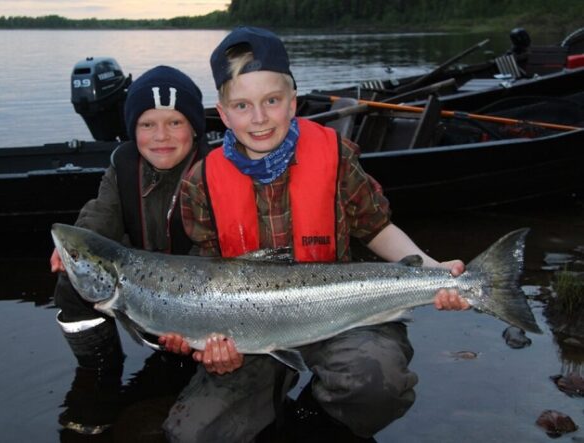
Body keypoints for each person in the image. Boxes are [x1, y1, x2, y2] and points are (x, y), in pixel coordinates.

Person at [162, 27, 471, 442]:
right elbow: (206, 277)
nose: (258, 118)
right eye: (242, 105)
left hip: (341, 312)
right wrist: (210, 346)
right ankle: (269, 393)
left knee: (378, 385)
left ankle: (310, 421)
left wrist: (435, 272)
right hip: (249, 331)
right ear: (222, 110)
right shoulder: (200, 182)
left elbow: (377, 227)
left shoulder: (336, 156)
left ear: (292, 101)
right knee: (193, 435)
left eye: (271, 101)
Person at [50, 65, 207, 434]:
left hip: (203, 303)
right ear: (132, 130)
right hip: (144, 293)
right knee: (71, 284)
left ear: (196, 128)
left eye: (175, 123)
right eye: (147, 125)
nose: (161, 137)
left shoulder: (217, 171)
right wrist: (76, 247)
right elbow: (100, 216)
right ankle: (101, 374)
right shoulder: (123, 164)